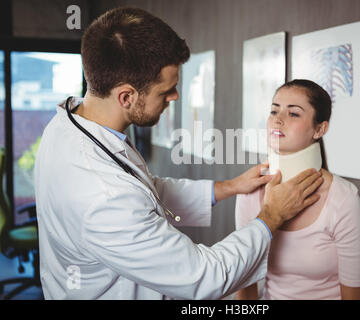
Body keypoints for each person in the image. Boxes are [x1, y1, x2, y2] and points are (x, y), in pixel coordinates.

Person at [34, 8, 324, 300]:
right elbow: (204, 276)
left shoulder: (70, 124)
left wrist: (231, 187)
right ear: (126, 96)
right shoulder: (102, 194)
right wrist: (271, 216)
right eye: (166, 91)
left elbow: (144, 190)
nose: (174, 97)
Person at [235, 79, 360, 300]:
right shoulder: (250, 191)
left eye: (293, 114)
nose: (278, 119)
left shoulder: (343, 198)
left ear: (319, 129)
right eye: (274, 111)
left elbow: (354, 295)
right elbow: (243, 279)